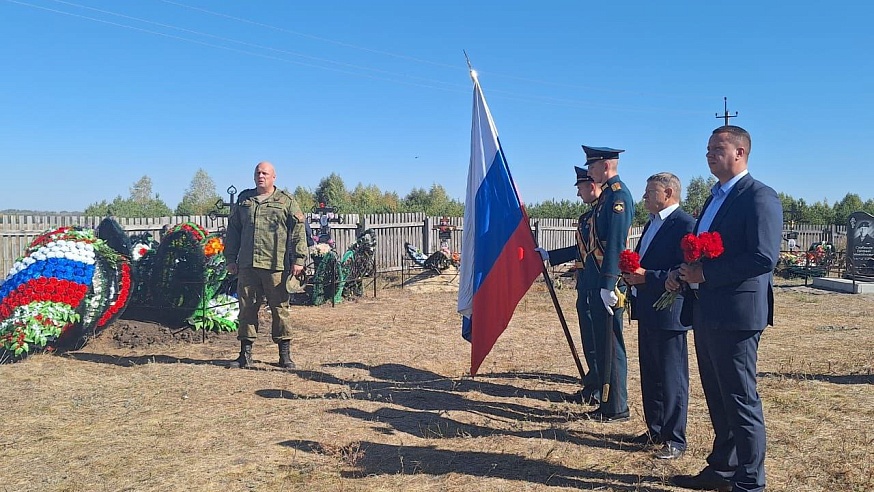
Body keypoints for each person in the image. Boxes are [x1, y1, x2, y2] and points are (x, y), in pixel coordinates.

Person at [667, 126, 782, 492]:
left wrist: (707, 272)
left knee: (740, 397)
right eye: (707, 149)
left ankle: (750, 481)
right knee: (718, 395)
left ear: (740, 152)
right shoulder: (713, 198)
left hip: (736, 313)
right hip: (706, 309)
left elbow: (764, 257)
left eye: (718, 148)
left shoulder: (759, 196)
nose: (709, 154)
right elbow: (701, 249)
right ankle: (723, 469)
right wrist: (683, 273)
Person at [622, 172, 695, 459]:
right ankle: (655, 430)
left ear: (668, 193)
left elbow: (683, 271)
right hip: (648, 309)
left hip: (669, 312)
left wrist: (647, 277)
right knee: (651, 373)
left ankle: (675, 438)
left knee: (672, 377)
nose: (644, 197)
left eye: (650, 192)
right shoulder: (652, 224)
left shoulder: (684, 224)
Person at [224, 161, 309, 369]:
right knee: (246, 308)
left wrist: (299, 260)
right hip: (248, 264)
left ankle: (284, 355)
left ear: (274, 177)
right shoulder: (245, 200)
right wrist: (230, 259)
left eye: (265, 173)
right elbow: (233, 231)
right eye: (257, 173)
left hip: (275, 265)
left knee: (280, 308)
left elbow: (299, 231)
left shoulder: (286, 201)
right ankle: (245, 354)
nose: (260, 176)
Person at [537, 166, 603, 405]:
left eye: (580, 188)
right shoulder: (586, 218)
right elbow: (582, 250)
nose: (578, 194)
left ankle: (602, 388)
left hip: (599, 286)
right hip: (585, 286)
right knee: (588, 337)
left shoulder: (605, 215)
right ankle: (593, 382)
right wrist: (550, 255)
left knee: (599, 339)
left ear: (592, 185)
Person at [580, 145, 634, 422]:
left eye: (592, 166)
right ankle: (606, 400)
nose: (589, 171)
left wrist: (609, 282)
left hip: (609, 283)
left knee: (612, 345)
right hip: (600, 279)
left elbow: (615, 243)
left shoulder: (618, 197)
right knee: (603, 343)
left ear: (606, 166)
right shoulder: (605, 199)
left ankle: (616, 406)